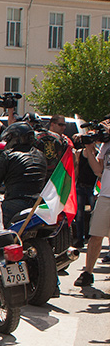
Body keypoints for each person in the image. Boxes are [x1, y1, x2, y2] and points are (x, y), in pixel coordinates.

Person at [74, 120, 110, 288]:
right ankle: (88, 273)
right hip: (105, 196)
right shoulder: (105, 146)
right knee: (95, 236)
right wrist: (89, 148)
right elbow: (98, 170)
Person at [0, 121, 47, 226]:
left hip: (17, 202)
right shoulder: (41, 155)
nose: (7, 142)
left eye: (8, 139)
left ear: (15, 138)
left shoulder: (8, 155)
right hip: (39, 203)